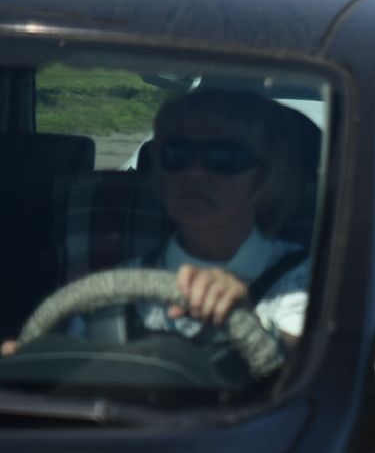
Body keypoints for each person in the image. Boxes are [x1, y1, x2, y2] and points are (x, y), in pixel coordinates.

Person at [1, 86, 310, 357]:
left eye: (224, 157)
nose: (194, 173)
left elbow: (314, 369)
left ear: (268, 176)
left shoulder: (308, 277)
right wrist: (33, 361)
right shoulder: (118, 284)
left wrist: (246, 314)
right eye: (177, 154)